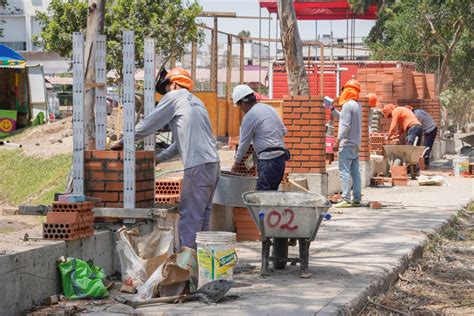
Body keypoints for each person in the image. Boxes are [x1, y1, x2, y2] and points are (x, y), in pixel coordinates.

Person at [111, 67, 220, 249]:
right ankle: (202, 264)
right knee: (202, 217)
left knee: (190, 217)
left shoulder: (174, 97)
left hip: (198, 166)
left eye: (168, 87)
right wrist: (160, 158)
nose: (166, 92)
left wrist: (124, 140)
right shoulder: (198, 102)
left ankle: (186, 266)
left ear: (174, 83)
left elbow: (149, 124)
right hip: (213, 165)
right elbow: (180, 142)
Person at [230, 84, 288, 191]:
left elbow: (244, 144)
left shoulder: (250, 116)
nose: (240, 109)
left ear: (242, 103)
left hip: (268, 162)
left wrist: (236, 164)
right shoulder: (269, 108)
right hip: (280, 159)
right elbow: (284, 131)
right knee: (271, 195)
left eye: (239, 106)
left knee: (262, 197)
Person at [330, 79, 362, 208]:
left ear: (347, 91)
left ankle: (346, 199)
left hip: (347, 143)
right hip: (355, 144)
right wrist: (332, 108)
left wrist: (337, 140)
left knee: (344, 171)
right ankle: (357, 199)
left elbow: (345, 125)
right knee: (355, 172)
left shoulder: (347, 105)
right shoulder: (356, 105)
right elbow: (343, 118)